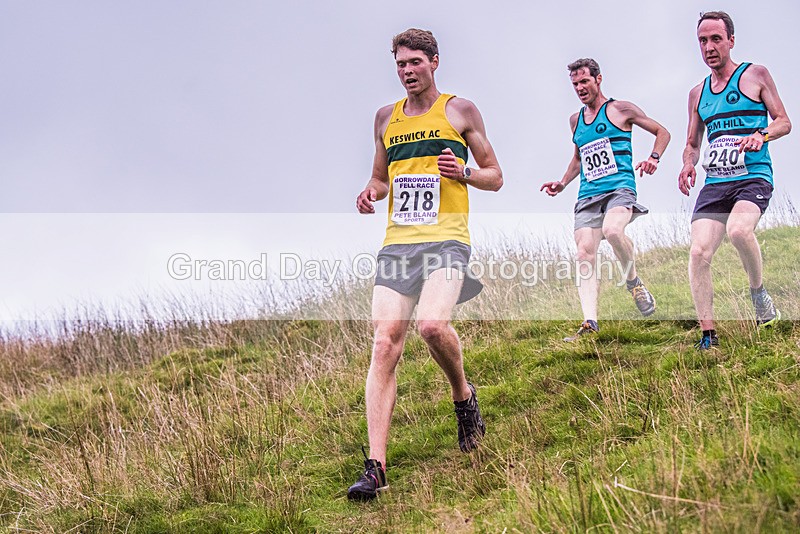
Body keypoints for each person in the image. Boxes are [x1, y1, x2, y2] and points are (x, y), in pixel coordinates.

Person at [349, 28, 503, 501]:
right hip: (398, 245)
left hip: (446, 242)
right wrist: (370, 193)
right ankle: (376, 466)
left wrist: (466, 173)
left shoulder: (459, 110)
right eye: (400, 64)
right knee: (383, 344)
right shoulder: (384, 119)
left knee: (433, 327)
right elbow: (380, 177)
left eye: (415, 62)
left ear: (434, 62)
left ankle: (463, 395)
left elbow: (496, 176)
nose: (407, 71)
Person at [678, 11, 791, 350]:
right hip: (716, 183)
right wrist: (687, 164)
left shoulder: (755, 75)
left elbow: (784, 121)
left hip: (752, 177)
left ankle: (759, 295)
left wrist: (761, 134)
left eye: (715, 39)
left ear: (730, 40)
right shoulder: (697, 94)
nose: (709, 47)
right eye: (702, 41)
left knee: (739, 231)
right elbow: (693, 144)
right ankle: (708, 335)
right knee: (698, 253)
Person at [541, 58, 670, 342]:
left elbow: (662, 132)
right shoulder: (575, 120)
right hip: (588, 195)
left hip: (619, 189)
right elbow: (578, 158)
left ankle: (633, 283)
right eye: (575, 84)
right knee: (584, 252)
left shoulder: (621, 109)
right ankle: (590, 323)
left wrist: (653, 158)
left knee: (612, 231)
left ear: (598, 79)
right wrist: (562, 183)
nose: (579, 88)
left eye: (584, 81)